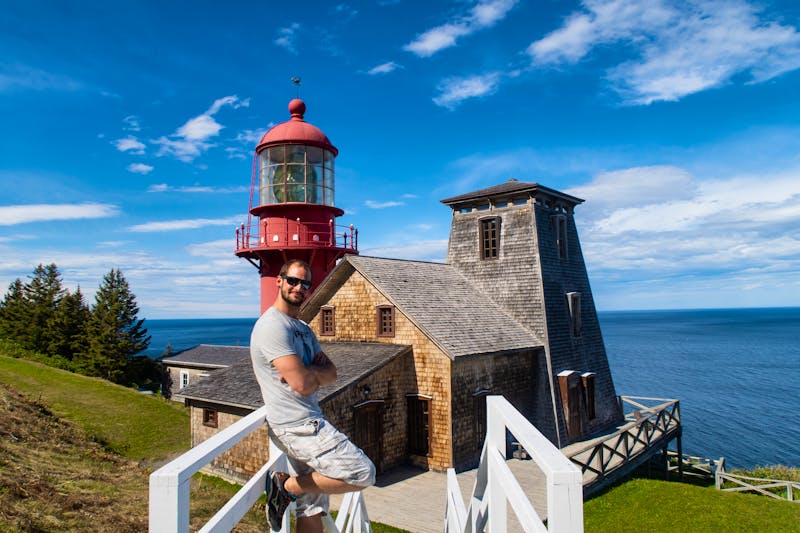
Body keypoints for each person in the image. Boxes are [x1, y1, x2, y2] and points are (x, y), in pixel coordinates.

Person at [250, 259, 376, 533]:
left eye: (305, 283)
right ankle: (285, 487)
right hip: (296, 426)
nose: (298, 287)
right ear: (279, 281)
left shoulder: (303, 329)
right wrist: (311, 374)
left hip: (308, 421)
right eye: (292, 281)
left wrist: (310, 374)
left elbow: (331, 374)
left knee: (312, 507)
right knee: (363, 472)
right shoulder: (272, 326)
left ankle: (291, 490)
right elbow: (304, 384)